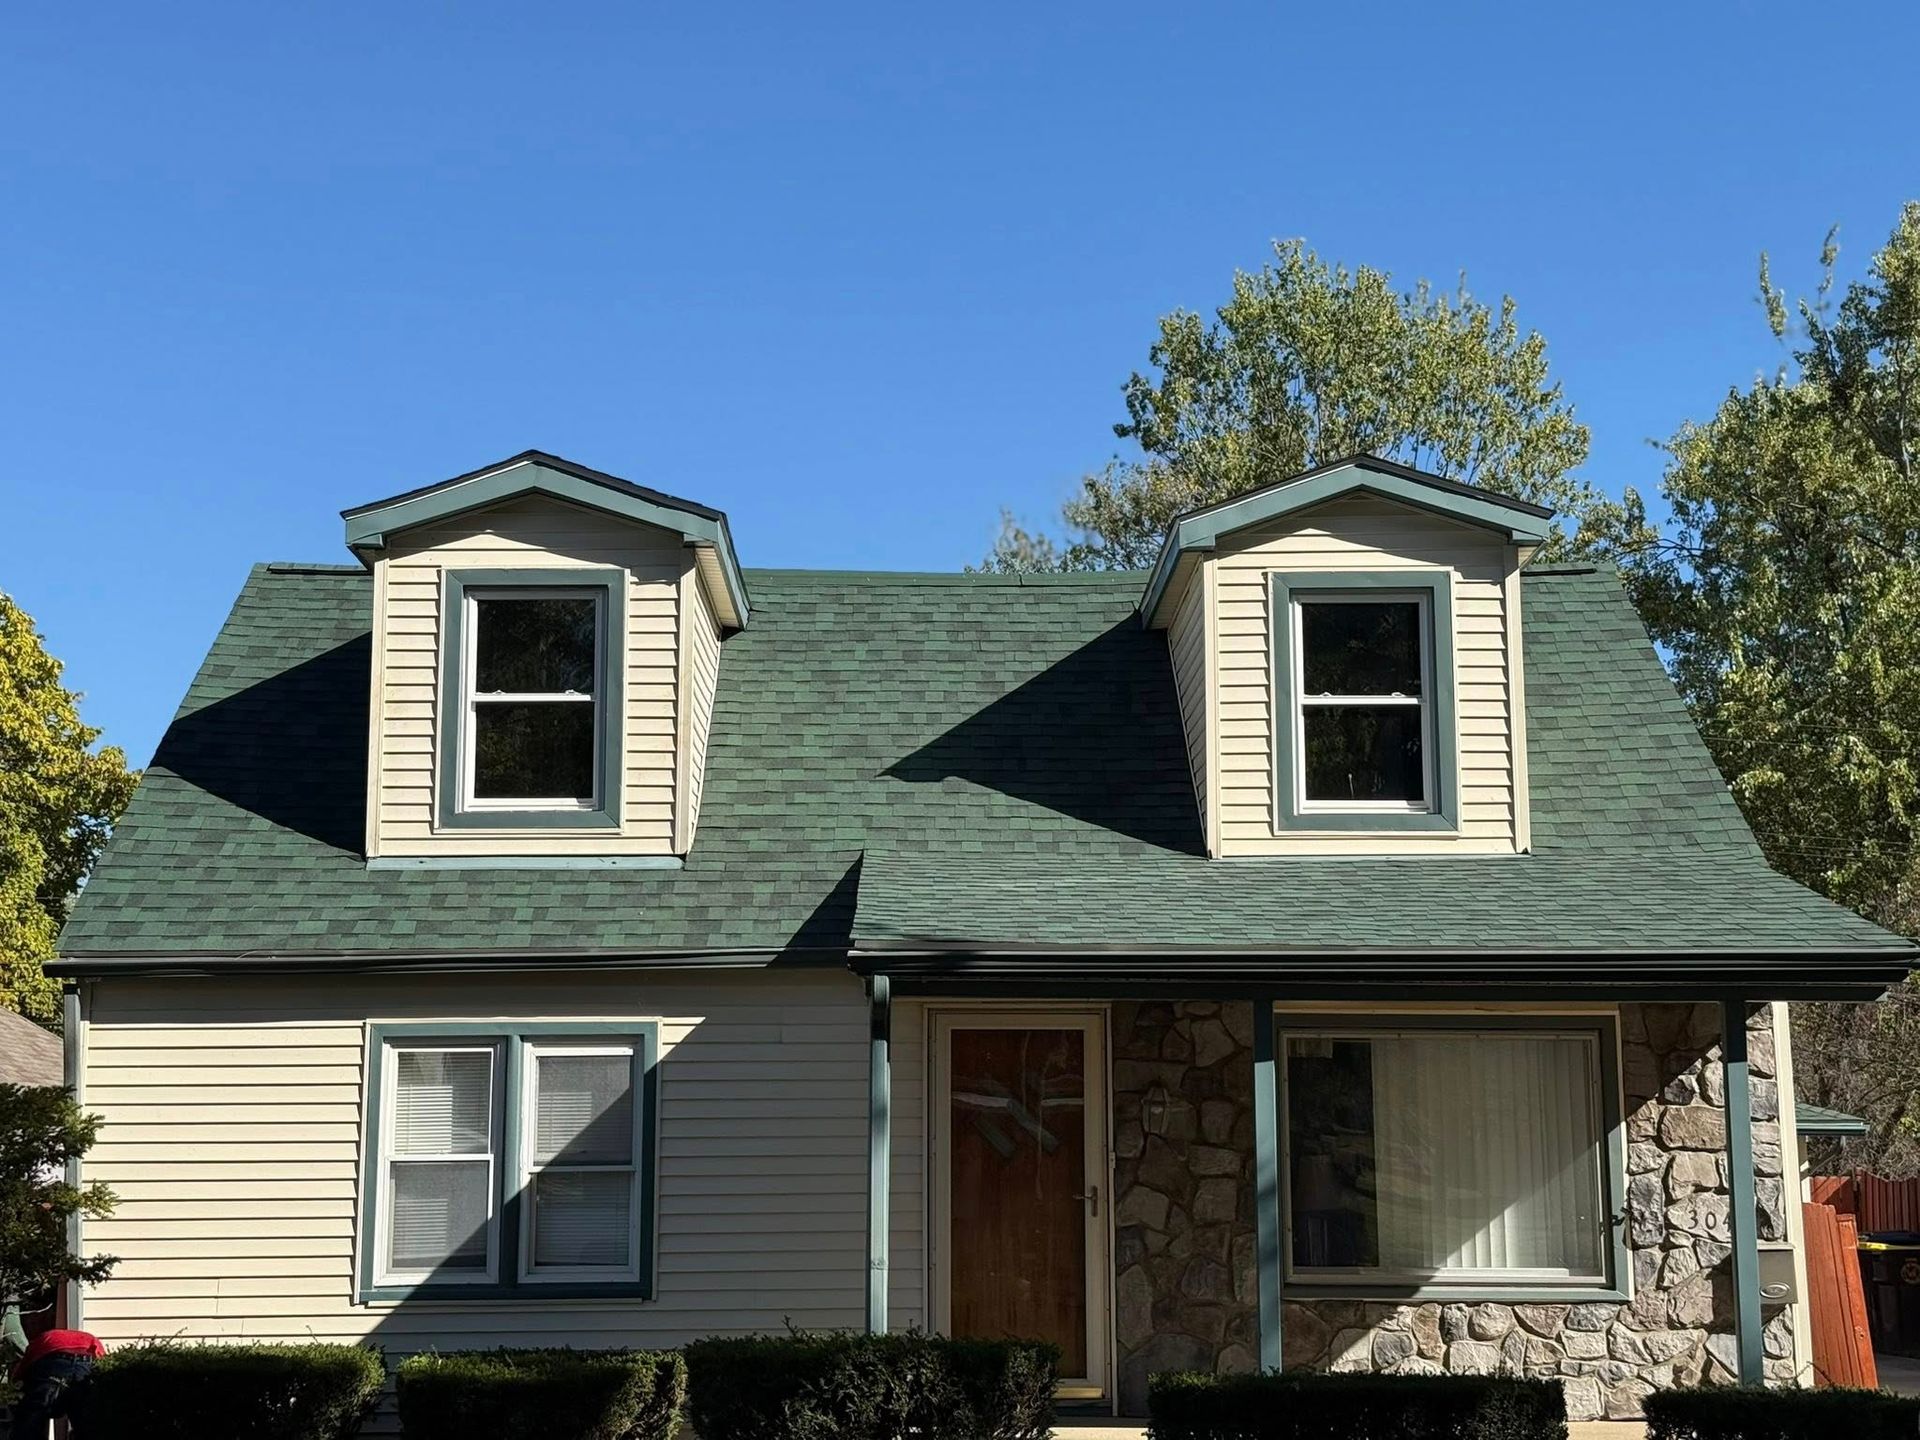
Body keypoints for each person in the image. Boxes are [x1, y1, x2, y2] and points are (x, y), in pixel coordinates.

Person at [8, 1323, 103, 1440]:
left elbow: (23, 1369)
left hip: (53, 1365)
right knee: (84, 1423)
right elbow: (102, 1363)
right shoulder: (90, 1338)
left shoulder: (41, 1340)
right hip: (86, 1364)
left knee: (30, 1420)